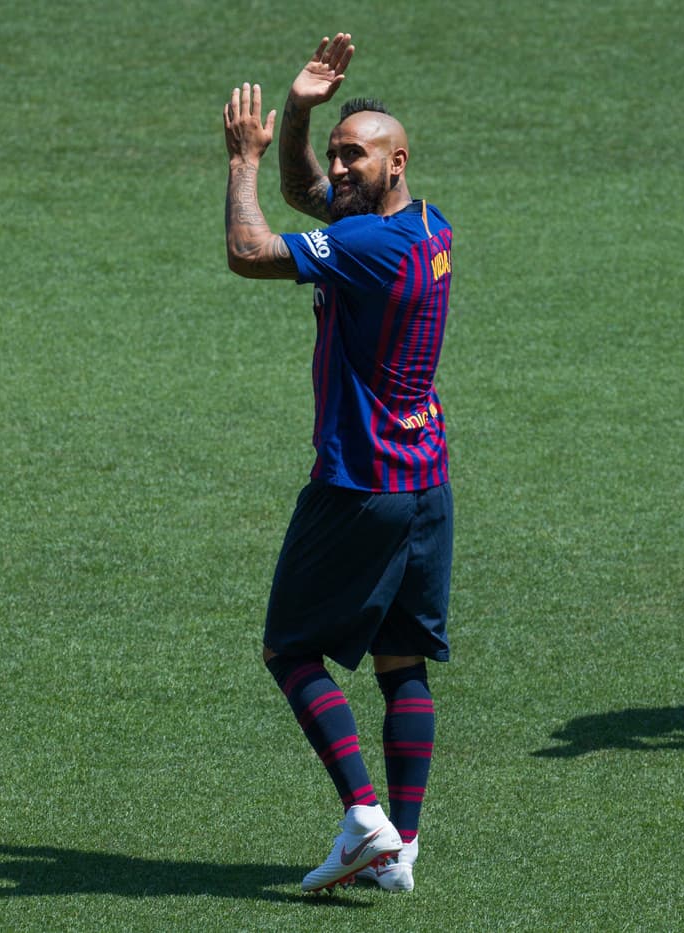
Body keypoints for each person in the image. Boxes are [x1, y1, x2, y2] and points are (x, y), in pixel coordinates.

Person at [222, 33, 454, 894]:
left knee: (290, 647)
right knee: (401, 662)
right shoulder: (425, 228)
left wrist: (242, 159)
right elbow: (306, 190)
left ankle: (364, 819)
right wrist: (301, 113)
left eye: (356, 154)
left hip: (359, 486)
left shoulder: (371, 249)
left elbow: (251, 248)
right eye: (337, 153)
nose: (339, 167)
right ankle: (405, 847)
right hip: (425, 484)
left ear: (399, 161)